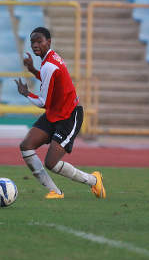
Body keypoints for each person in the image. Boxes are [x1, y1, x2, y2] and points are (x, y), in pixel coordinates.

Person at [14, 27, 106, 199]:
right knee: (26, 146)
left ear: (48, 42)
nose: (35, 45)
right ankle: (56, 192)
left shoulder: (49, 64)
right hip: (55, 113)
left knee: (51, 163)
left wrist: (25, 93)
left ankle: (93, 180)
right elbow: (51, 81)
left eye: (39, 41)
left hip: (69, 116)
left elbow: (42, 103)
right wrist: (33, 70)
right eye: (32, 41)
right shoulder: (49, 58)